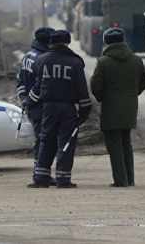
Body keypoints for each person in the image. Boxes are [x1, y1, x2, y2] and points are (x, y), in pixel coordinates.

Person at [27, 30, 92, 188]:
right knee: (66, 142)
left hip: (48, 108)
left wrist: (29, 102)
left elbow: (37, 87)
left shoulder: (41, 61)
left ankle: (41, 178)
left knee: (45, 140)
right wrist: (83, 113)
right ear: (68, 42)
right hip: (68, 109)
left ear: (51, 42)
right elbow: (82, 90)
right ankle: (63, 179)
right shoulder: (76, 63)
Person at [90, 28, 145, 187]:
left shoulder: (103, 62)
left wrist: (102, 97)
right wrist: (132, 94)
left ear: (106, 42)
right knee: (126, 143)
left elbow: (96, 86)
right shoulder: (136, 60)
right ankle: (130, 178)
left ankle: (120, 180)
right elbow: (144, 82)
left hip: (110, 107)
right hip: (130, 107)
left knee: (114, 144)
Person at [16, 27, 56, 184]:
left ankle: (41, 172)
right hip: (40, 106)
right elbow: (41, 86)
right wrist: (31, 100)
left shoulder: (28, 55)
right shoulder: (42, 59)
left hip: (32, 106)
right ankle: (40, 174)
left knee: (41, 139)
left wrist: (24, 99)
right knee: (44, 140)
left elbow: (20, 80)